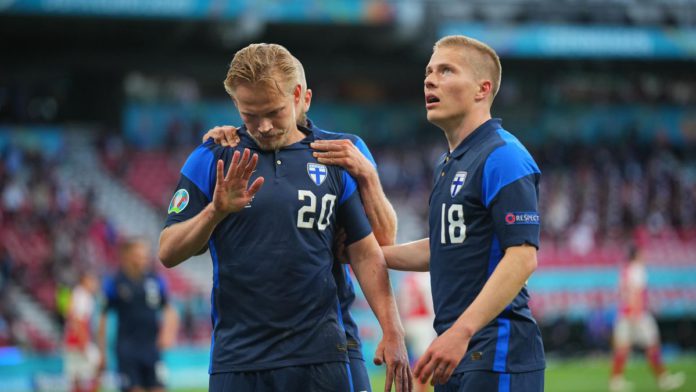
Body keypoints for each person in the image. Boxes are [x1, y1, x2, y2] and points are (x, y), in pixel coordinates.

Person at [159, 43, 410, 392]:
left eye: (273, 112)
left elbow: (369, 250)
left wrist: (393, 329)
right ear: (236, 105)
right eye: (250, 114)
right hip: (238, 359)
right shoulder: (212, 158)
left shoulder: (339, 154)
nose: (262, 126)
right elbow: (168, 251)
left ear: (298, 96)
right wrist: (215, 211)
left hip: (322, 353)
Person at [382, 35, 545, 391]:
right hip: (455, 353)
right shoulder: (448, 164)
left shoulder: (504, 155)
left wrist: (462, 331)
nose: (429, 79)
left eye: (446, 70)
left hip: (497, 352)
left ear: (481, 89)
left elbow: (522, 257)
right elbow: (444, 246)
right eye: (428, 71)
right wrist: (366, 254)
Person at [98, 237, 178, 392]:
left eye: (145, 255)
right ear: (127, 256)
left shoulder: (155, 280)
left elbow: (170, 310)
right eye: (139, 254)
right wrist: (102, 351)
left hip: (152, 349)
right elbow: (103, 317)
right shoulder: (115, 282)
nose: (144, 258)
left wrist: (168, 333)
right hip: (127, 350)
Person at [609, 245, 685, 392]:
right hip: (637, 314)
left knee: (622, 348)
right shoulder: (637, 270)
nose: (645, 257)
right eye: (642, 254)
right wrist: (636, 312)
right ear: (636, 255)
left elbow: (621, 293)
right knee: (652, 345)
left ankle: (616, 381)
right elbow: (635, 293)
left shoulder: (624, 270)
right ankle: (663, 378)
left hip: (624, 313)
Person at [397, 272, 436, 392]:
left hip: (408, 322)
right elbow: (431, 303)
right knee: (423, 362)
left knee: (414, 359)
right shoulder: (426, 277)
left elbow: (399, 301)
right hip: (422, 323)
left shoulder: (408, 279)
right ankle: (416, 389)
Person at [63, 272, 101, 392]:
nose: (95, 284)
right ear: (85, 281)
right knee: (98, 366)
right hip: (79, 342)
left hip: (72, 342)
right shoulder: (83, 296)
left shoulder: (77, 294)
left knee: (76, 377)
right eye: (92, 281)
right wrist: (83, 342)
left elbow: (69, 315)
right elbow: (78, 321)